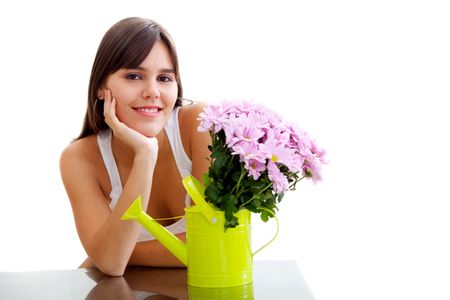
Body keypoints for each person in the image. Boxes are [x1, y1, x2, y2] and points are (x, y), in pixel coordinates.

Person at [60, 17, 210, 276]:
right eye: (134, 76)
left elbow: (216, 245)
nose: (152, 91)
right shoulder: (79, 158)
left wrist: (117, 251)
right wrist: (145, 155)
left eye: (164, 78)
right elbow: (110, 264)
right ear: (100, 87)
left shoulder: (201, 124)